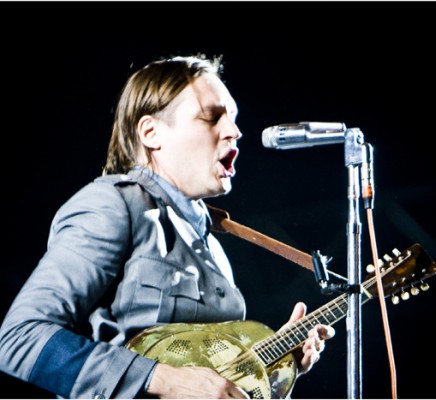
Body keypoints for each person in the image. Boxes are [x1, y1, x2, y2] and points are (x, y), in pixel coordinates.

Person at [0, 54, 334, 399]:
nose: (234, 132)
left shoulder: (212, 246)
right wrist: (164, 379)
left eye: (232, 119)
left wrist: (272, 366)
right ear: (151, 132)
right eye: (212, 117)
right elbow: (18, 338)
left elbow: (206, 373)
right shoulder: (115, 205)